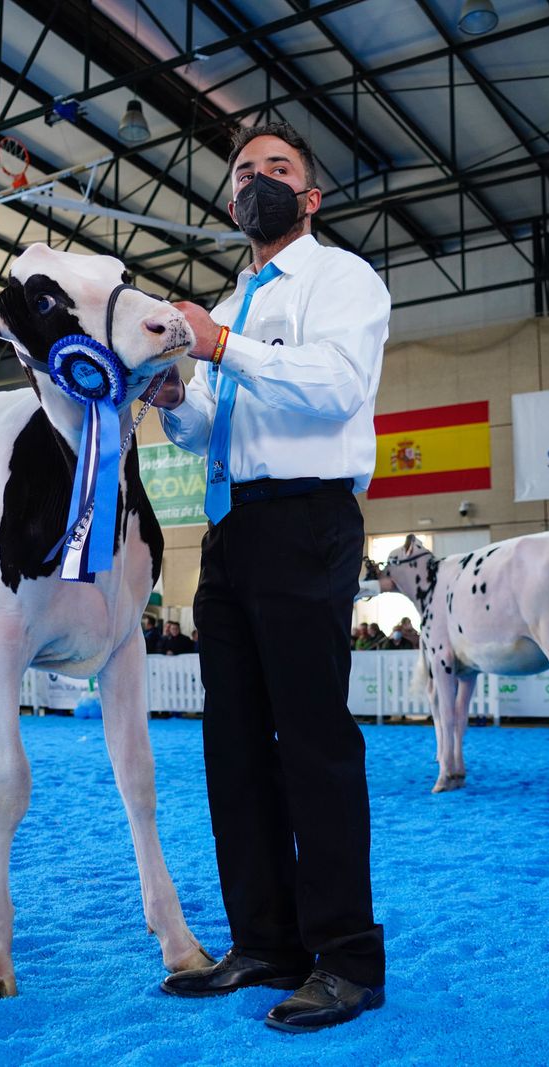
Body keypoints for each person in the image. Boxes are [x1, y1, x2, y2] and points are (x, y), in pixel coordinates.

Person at [154, 121, 388, 1030]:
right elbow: (216, 421)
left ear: (312, 195)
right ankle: (266, 939)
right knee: (236, 742)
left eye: (278, 169)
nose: (259, 180)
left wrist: (219, 349)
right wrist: (178, 397)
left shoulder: (341, 280)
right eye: (245, 171)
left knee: (314, 742)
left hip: (308, 520)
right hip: (231, 527)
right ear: (229, 202)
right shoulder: (237, 298)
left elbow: (334, 386)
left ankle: (347, 956)